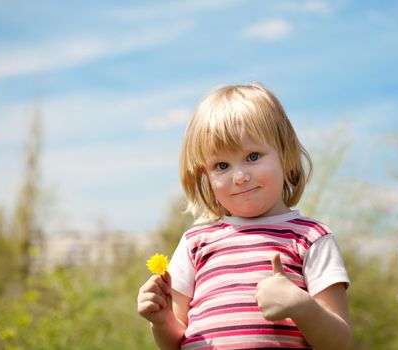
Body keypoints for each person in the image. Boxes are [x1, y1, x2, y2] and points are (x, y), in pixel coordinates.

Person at [137, 83, 351, 349]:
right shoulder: (195, 243)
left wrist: (302, 306)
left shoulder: (311, 238)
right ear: (206, 175)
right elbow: (175, 341)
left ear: (285, 154)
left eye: (252, 156)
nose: (239, 177)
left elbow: (339, 342)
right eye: (222, 165)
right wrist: (161, 320)